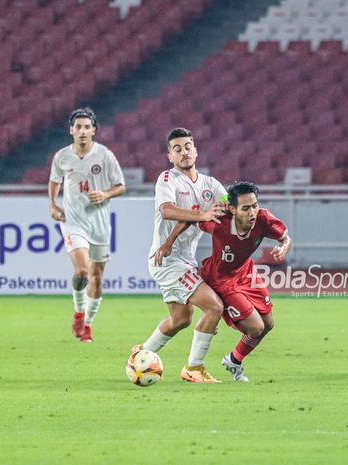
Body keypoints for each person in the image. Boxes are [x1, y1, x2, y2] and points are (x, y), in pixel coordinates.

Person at [130, 127, 227, 383]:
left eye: (187, 146)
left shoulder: (210, 184)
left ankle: (141, 355)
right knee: (214, 307)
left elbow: (228, 203)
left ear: (195, 150)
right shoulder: (167, 179)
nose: (183, 152)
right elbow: (167, 210)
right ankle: (194, 369)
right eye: (177, 149)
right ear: (169, 157)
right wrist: (203, 215)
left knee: (180, 319)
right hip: (167, 261)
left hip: (184, 260)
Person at [199, 182, 291, 382]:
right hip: (222, 279)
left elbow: (286, 238)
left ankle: (234, 360)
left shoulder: (264, 219)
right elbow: (194, 217)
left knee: (268, 324)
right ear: (232, 209)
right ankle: (217, 316)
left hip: (247, 273)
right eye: (246, 208)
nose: (253, 212)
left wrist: (283, 249)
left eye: (255, 205)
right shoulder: (220, 223)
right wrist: (170, 243)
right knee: (255, 327)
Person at [49, 107, 126, 343]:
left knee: (97, 278)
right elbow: (54, 181)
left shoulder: (105, 156)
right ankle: (78, 313)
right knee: (82, 270)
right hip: (73, 221)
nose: (82, 131)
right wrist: (53, 204)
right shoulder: (62, 156)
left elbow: (121, 186)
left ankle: (89, 324)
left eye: (86, 127)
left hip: (100, 224)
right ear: (71, 130)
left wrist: (105, 194)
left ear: (94, 130)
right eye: (78, 127)